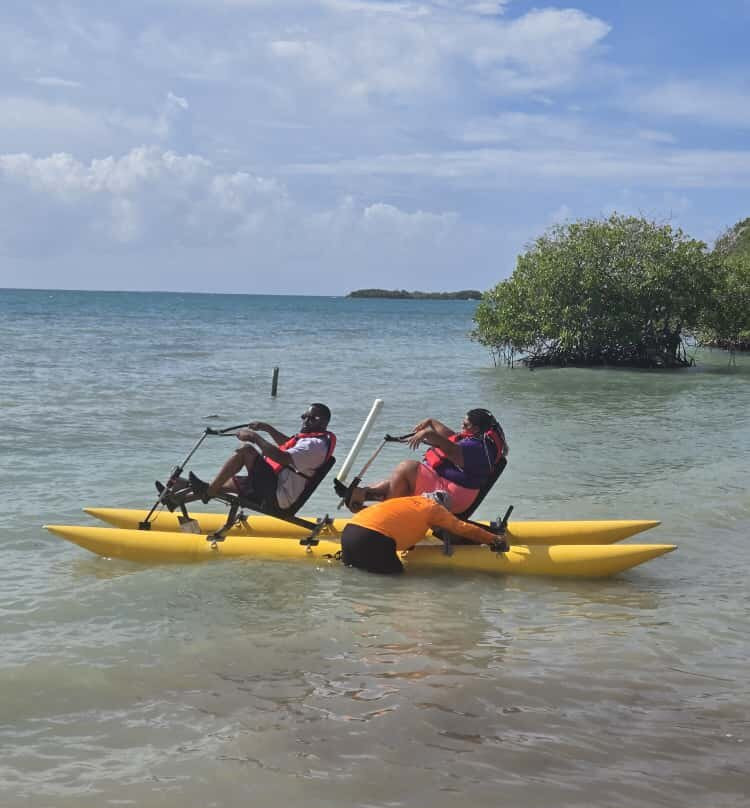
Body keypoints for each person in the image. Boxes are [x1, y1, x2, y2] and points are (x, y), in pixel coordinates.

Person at [164, 403, 335, 511]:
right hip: (275, 485)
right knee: (228, 483)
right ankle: (179, 500)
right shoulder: (312, 441)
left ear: (324, 422)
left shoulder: (315, 446)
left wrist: (254, 437)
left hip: (279, 497)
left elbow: (281, 456)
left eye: (313, 418)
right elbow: (287, 444)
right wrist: (267, 428)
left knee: (246, 451)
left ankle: (208, 492)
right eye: (304, 417)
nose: (306, 421)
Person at [341, 408, 507, 515]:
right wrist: (431, 422)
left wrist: (427, 433)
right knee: (397, 482)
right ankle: (362, 494)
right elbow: (450, 437)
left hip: (454, 498)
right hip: (446, 487)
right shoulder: (476, 439)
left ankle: (386, 517)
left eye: (465, 425)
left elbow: (450, 449)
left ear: (476, 429)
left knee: (407, 468)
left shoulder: (477, 448)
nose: (461, 427)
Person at [341, 490, 503, 574]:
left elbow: (394, 522)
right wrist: (493, 539)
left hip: (349, 533)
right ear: (442, 508)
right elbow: (461, 528)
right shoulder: (433, 508)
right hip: (372, 538)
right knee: (395, 581)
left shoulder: (408, 501)